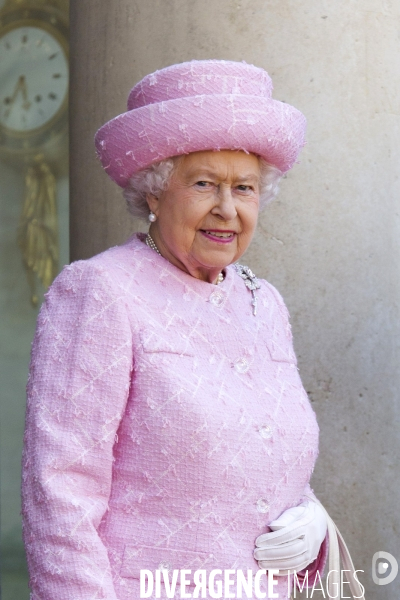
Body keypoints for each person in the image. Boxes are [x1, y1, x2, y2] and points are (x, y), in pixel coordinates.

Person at [21, 60, 328, 600]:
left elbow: (271, 451)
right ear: (155, 192)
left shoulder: (266, 303)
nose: (227, 209)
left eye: (245, 188)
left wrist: (312, 519)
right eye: (204, 184)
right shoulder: (100, 292)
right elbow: (61, 495)